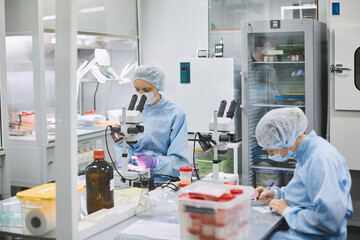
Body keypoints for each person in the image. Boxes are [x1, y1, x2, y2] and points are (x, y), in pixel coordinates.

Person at [254, 107, 353, 239]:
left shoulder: (320, 158)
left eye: (271, 151)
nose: (269, 156)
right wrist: (275, 193)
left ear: (286, 138)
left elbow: (330, 220)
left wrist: (287, 211)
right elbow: (304, 192)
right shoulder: (306, 152)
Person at [114, 65, 189, 181]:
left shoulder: (175, 114)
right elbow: (122, 144)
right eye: (137, 89)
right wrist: (124, 159)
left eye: (146, 90)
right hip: (134, 175)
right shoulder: (131, 112)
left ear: (158, 86)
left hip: (163, 180)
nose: (141, 93)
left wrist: (155, 162)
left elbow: (180, 162)